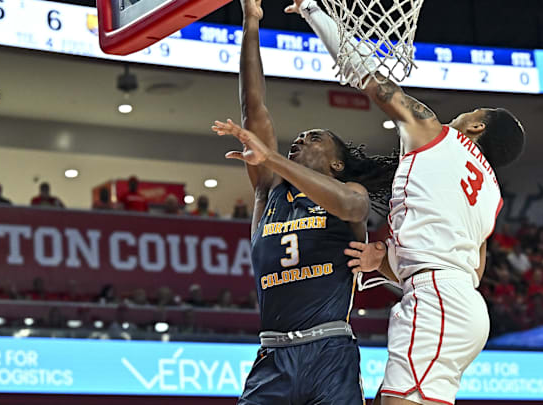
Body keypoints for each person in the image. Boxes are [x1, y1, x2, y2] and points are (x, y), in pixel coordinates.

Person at [287, 2, 525, 404]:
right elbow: (470, 267)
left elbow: (369, 78)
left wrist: (314, 12)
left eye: (469, 111)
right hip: (461, 306)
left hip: (437, 302)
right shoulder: (490, 193)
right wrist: (384, 259)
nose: (460, 114)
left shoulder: (435, 133)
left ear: (478, 126)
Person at [211, 1, 396, 403]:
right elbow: (253, 107)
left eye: (314, 138)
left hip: (329, 352)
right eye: (300, 137)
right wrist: (251, 21)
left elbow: (351, 206)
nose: (300, 140)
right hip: (273, 356)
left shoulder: (350, 195)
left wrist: (271, 157)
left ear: (336, 162)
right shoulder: (269, 191)